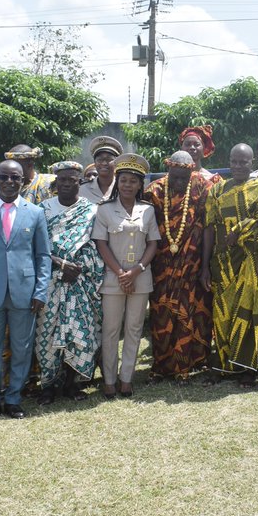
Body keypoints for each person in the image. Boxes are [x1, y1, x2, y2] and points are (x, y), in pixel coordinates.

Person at [0, 160, 51, 423]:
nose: (9, 182)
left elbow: (43, 256)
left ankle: (13, 398)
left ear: (22, 181)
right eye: (4, 177)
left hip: (24, 294)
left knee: (22, 348)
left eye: (15, 178)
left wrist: (40, 291)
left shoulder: (35, 213)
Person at [202, 144, 258, 385]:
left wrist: (242, 230)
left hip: (255, 264)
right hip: (223, 263)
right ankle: (223, 364)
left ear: (253, 164)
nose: (238, 166)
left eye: (243, 162)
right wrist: (204, 266)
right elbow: (209, 228)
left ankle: (249, 368)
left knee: (252, 314)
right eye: (234, 161)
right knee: (223, 315)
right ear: (228, 161)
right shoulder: (217, 190)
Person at [34, 161, 104, 401]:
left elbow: (95, 246)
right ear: (56, 183)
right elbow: (37, 247)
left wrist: (79, 268)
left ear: (80, 182)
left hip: (81, 281)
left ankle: (73, 385)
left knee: (81, 333)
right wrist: (61, 264)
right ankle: (49, 386)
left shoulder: (91, 210)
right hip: (51, 280)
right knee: (47, 334)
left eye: (71, 180)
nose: (66, 184)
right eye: (62, 180)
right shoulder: (42, 210)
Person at [93, 153, 160, 398]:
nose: (128, 185)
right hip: (113, 279)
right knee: (111, 330)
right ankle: (109, 380)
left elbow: (153, 243)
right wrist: (122, 273)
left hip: (140, 279)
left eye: (133, 181)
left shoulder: (148, 211)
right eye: (123, 180)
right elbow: (101, 244)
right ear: (117, 183)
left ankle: (126, 378)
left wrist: (135, 271)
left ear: (140, 184)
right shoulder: (105, 210)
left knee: (133, 329)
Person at [143, 151, 213, 381]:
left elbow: (206, 228)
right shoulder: (154, 191)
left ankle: (190, 363)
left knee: (193, 313)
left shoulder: (202, 187)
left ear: (192, 172)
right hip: (161, 266)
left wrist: (205, 268)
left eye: (185, 177)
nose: (180, 182)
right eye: (175, 177)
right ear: (168, 171)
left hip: (193, 266)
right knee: (161, 314)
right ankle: (162, 366)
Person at [79, 135, 123, 205]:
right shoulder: (82, 190)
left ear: (116, 162)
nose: (104, 163)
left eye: (109, 159)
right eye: (100, 159)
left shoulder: (124, 189)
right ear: (95, 163)